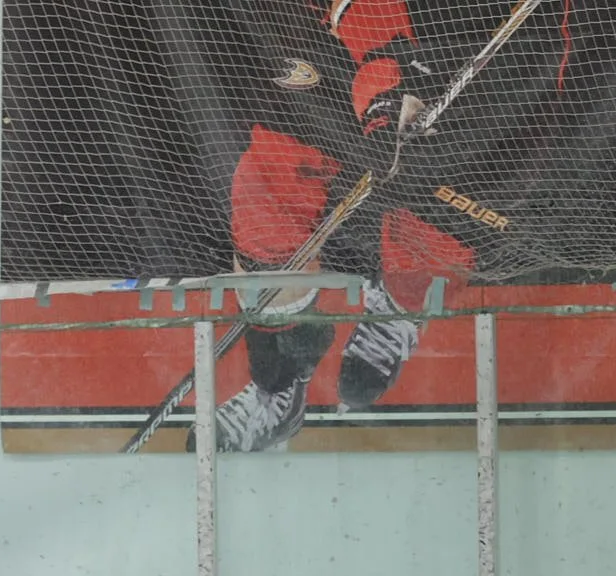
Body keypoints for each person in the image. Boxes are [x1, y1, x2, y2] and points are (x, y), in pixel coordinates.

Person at [200, 0, 573, 452]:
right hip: (345, 44)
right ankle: (277, 381)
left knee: (445, 205)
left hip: (482, 58)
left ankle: (397, 309)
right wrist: (381, 90)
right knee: (271, 190)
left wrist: (388, 90)